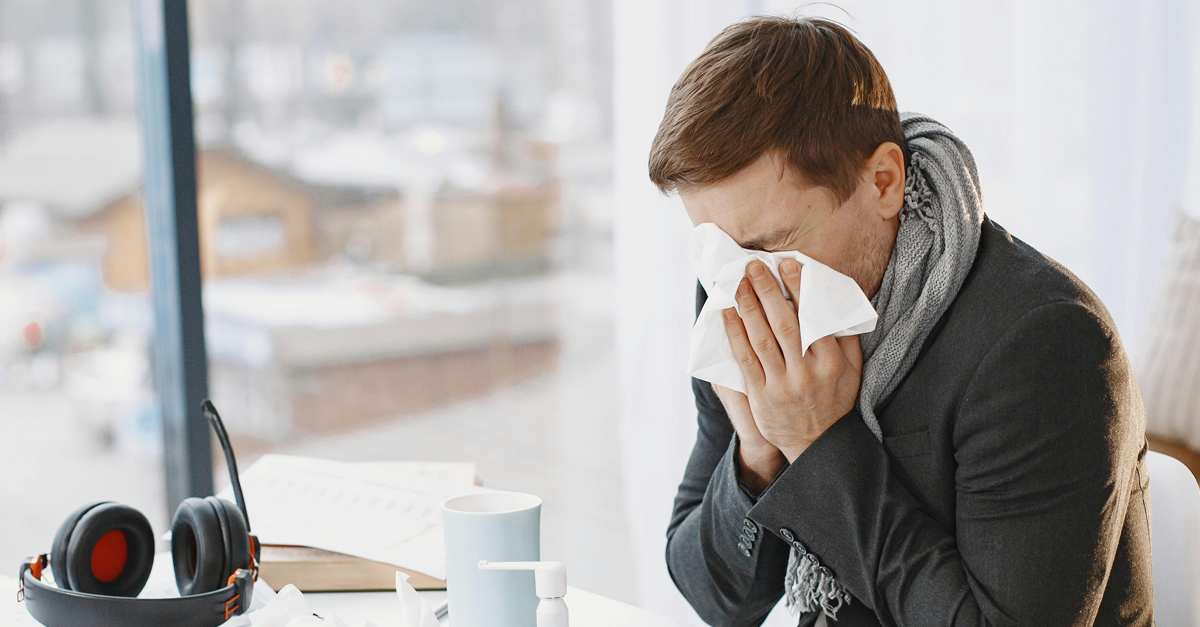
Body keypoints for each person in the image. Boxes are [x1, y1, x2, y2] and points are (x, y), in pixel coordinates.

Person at [653, 16, 1153, 627]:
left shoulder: (1045, 344)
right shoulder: (736, 288)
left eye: (772, 243)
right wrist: (759, 455)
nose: (744, 281)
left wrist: (816, 447)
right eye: (719, 249)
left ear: (883, 182)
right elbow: (714, 599)